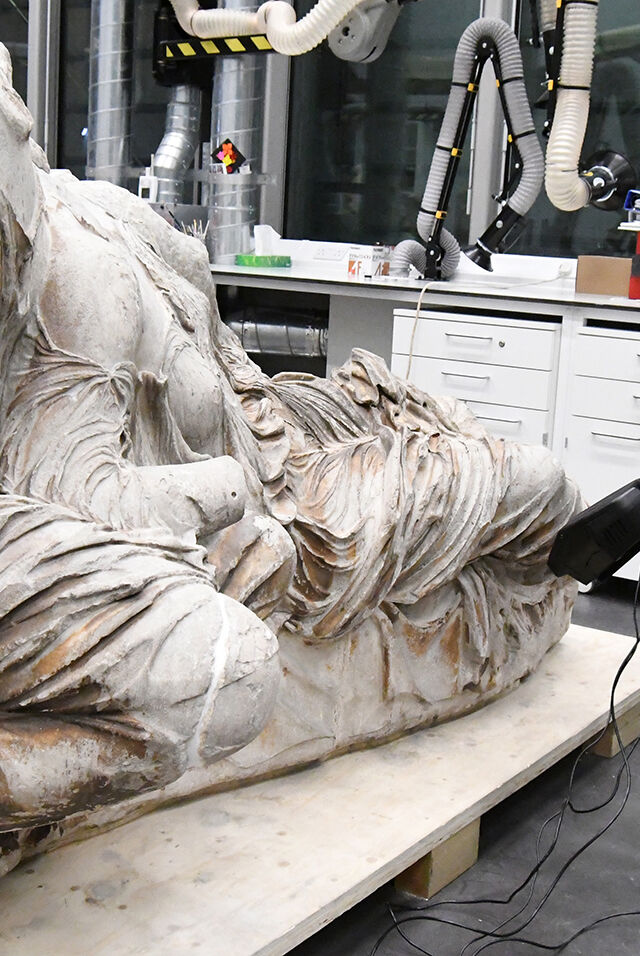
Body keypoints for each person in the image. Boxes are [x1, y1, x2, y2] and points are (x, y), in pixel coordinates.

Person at [0, 39, 580, 866]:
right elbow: (89, 503)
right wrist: (227, 492)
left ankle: (527, 581)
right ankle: (520, 587)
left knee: (493, 458)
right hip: (304, 522)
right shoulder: (71, 294)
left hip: (286, 424)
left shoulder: (90, 213)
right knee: (537, 485)